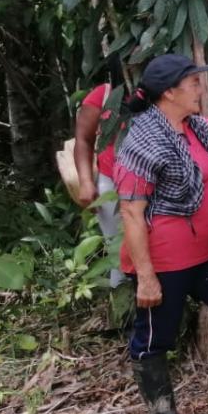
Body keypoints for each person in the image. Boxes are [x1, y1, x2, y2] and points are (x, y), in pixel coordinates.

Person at [112, 54, 208, 414]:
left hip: (207, 250)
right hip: (165, 260)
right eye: (192, 83)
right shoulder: (142, 141)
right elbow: (132, 214)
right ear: (169, 92)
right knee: (154, 339)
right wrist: (147, 276)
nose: (199, 88)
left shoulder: (190, 128)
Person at [73, 56, 126, 290]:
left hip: (151, 186)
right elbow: (83, 140)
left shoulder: (159, 92)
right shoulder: (103, 96)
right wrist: (85, 182)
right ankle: (123, 312)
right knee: (119, 253)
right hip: (111, 185)